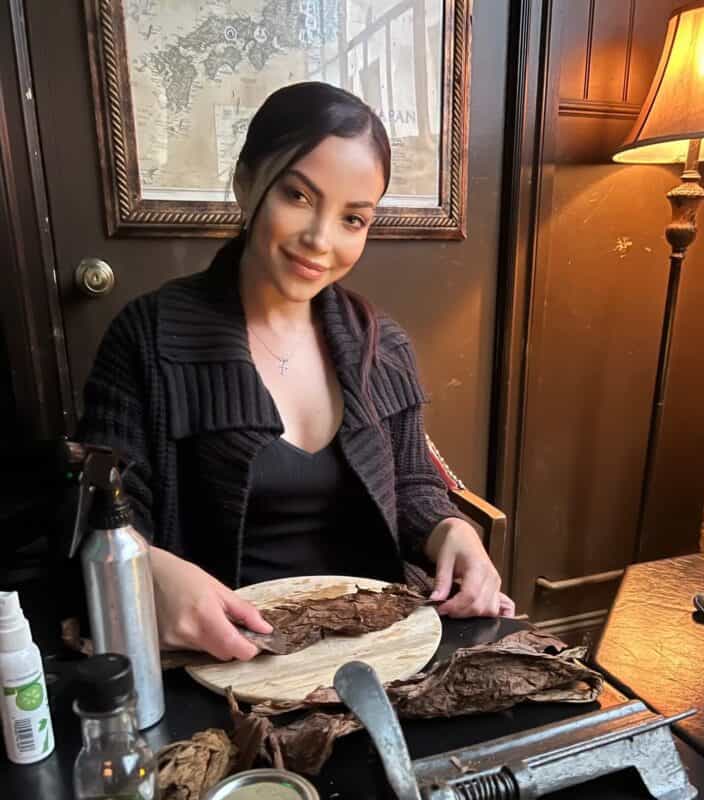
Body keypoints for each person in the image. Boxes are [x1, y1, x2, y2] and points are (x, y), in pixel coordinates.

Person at [78, 82, 515, 662]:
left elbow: (412, 484)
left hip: (378, 640)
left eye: (353, 219)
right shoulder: (148, 337)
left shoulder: (380, 344)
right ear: (245, 183)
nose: (320, 240)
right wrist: (149, 567)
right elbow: (103, 508)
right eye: (298, 196)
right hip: (224, 654)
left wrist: (450, 530)